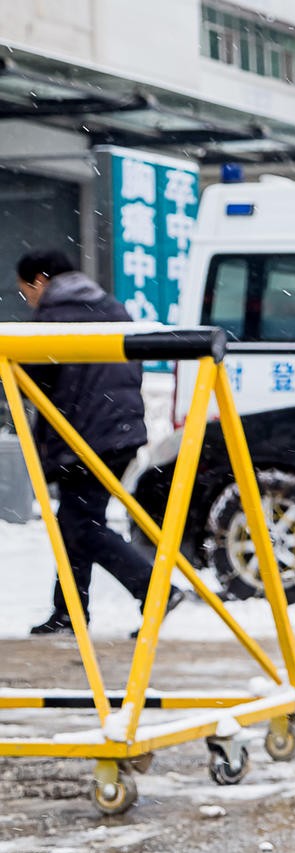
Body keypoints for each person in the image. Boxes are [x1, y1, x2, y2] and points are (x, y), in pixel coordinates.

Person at [14, 251, 178, 636]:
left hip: (83, 436)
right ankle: (69, 611)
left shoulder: (53, 315)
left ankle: (154, 588)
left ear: (39, 280)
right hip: (119, 431)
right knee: (76, 521)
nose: (29, 300)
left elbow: (35, 377)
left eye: (26, 292)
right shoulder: (111, 306)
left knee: (81, 526)